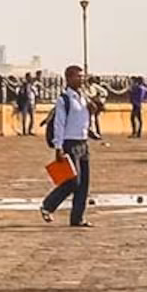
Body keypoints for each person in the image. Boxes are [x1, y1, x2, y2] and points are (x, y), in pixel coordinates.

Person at [37, 64, 93, 228]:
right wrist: (58, 147)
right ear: (68, 78)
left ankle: (78, 218)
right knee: (73, 181)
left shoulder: (84, 97)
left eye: (82, 76)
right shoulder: (64, 100)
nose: (81, 79)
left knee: (84, 184)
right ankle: (48, 205)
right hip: (69, 143)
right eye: (77, 76)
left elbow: (84, 120)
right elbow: (59, 124)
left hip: (83, 142)